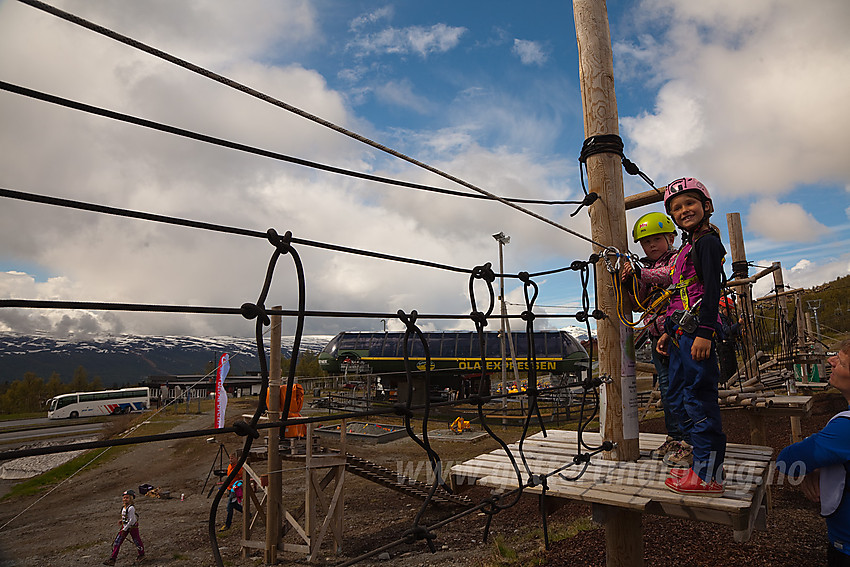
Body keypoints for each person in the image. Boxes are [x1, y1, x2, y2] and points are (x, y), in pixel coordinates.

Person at [656, 177, 727, 496]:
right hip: (683, 332)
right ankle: (702, 467)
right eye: (677, 207)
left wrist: (706, 334)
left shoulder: (707, 243)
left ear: (706, 206)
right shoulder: (688, 246)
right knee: (686, 395)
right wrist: (670, 335)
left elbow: (712, 291)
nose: (684, 210)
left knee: (700, 399)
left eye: (690, 204)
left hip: (698, 331)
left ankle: (707, 475)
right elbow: (680, 295)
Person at [622, 211, 692, 465]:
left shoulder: (678, 259)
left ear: (670, 238)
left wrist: (639, 273)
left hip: (677, 334)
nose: (650, 245)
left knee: (682, 386)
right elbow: (639, 304)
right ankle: (675, 435)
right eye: (645, 242)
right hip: (656, 336)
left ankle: (689, 439)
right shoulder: (646, 267)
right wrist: (629, 282)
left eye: (656, 239)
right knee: (666, 389)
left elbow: (670, 276)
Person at [776, 339, 850, 566]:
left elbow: (786, 460)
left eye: (841, 362)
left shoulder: (844, 430)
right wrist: (817, 464)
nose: (831, 361)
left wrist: (811, 463)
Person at [103, 489, 144, 565]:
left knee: (136, 540)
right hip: (125, 526)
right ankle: (113, 559)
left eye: (127, 497)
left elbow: (131, 520)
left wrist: (124, 529)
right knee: (117, 542)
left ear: (131, 498)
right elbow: (127, 517)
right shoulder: (124, 508)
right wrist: (122, 520)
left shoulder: (131, 508)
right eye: (124, 497)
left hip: (132, 527)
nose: (125, 499)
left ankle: (141, 554)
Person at [717, 296, 742, 384]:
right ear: (722, 308)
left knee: (733, 366)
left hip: (730, 345)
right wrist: (738, 323)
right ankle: (724, 385)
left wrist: (740, 332)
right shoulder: (719, 318)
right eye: (728, 310)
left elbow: (733, 331)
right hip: (723, 346)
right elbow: (727, 330)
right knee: (726, 368)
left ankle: (731, 384)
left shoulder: (729, 319)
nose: (730, 312)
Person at [220, 452, 244, 531]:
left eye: (232, 458)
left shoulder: (239, 468)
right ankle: (248, 514)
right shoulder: (229, 466)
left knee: (229, 506)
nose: (230, 460)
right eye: (230, 458)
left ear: (237, 459)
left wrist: (237, 488)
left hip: (235, 489)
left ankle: (227, 524)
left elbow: (242, 479)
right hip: (230, 488)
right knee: (234, 505)